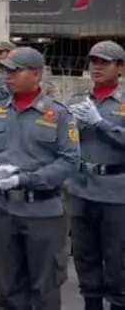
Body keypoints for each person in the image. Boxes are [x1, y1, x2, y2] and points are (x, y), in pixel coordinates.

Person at [0, 46, 79, 310]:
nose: (8, 76)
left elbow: (70, 160)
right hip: (5, 210)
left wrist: (26, 179)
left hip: (43, 211)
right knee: (7, 289)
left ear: (36, 74)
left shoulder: (59, 114)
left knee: (43, 289)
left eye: (15, 71)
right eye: (6, 71)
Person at [67, 41, 125, 310]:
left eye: (104, 62)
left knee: (117, 258)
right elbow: (61, 141)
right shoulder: (79, 100)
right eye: (93, 62)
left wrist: (101, 124)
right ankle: (91, 304)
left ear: (120, 68)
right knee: (84, 255)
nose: (97, 67)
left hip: (116, 191)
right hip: (81, 188)